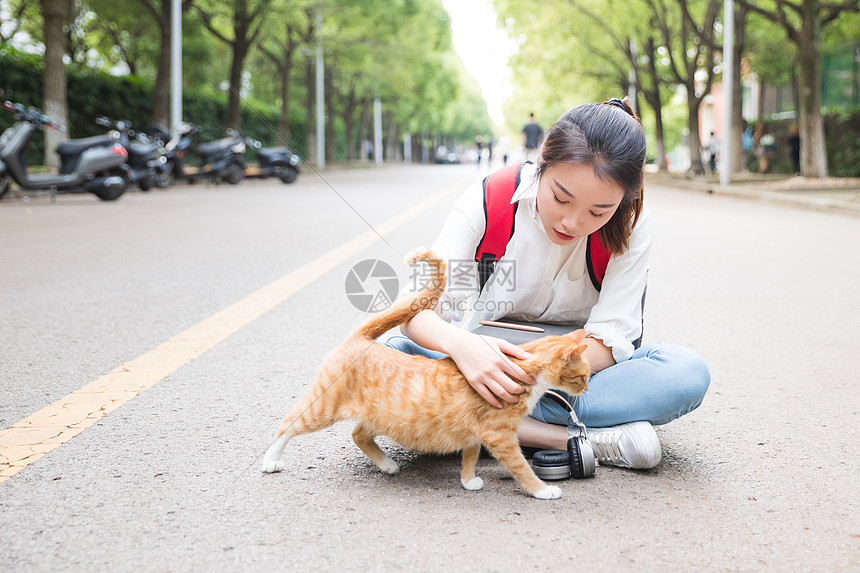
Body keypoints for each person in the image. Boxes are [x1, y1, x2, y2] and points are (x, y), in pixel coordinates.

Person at [381, 99, 711, 471]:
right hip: (481, 355)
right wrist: (466, 349)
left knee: (685, 371)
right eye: (560, 197)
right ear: (542, 161)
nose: (571, 222)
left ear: (624, 199)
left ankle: (481, 421)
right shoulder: (491, 197)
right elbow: (412, 309)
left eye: (598, 212)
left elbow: (611, 340)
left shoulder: (632, 223)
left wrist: (523, 373)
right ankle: (569, 438)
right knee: (388, 352)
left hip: (569, 369)